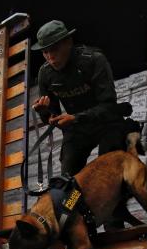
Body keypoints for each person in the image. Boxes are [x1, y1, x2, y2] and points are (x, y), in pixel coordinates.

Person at [31, 20, 139, 230]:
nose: (50, 57)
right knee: (68, 184)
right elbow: (53, 116)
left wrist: (76, 117)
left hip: (106, 124)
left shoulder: (93, 60)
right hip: (77, 131)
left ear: (68, 42)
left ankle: (113, 226)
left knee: (108, 173)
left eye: (54, 49)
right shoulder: (46, 74)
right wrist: (46, 113)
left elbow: (109, 106)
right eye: (45, 52)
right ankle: (78, 230)